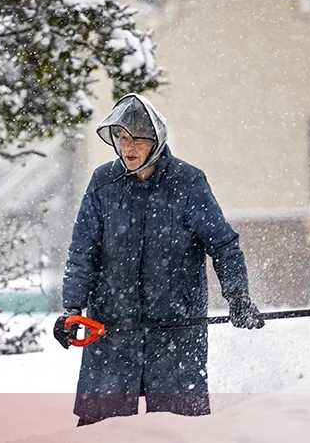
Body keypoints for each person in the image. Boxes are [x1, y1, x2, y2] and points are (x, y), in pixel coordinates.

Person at [53, 93, 264, 424]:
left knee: (177, 429)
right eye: (122, 137)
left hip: (175, 335)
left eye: (138, 138)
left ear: (157, 141)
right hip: (113, 331)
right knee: (100, 430)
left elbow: (223, 243)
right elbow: (82, 252)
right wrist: (71, 309)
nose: (129, 147)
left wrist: (237, 295)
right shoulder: (103, 183)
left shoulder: (187, 182)